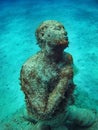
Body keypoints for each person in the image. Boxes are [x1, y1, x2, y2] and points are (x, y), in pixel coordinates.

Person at [20, 20, 96, 130]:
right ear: (43, 35)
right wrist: (64, 79)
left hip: (63, 108)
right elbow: (43, 113)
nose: (65, 32)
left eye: (64, 28)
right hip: (49, 117)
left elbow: (71, 86)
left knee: (86, 116)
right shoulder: (31, 69)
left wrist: (69, 97)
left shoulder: (67, 58)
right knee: (88, 118)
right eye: (58, 29)